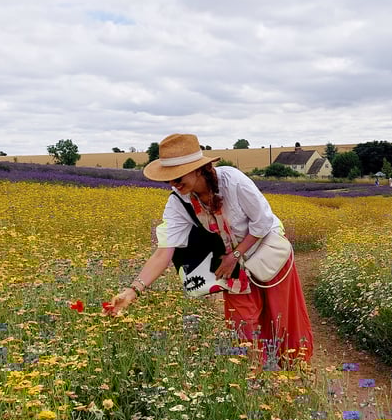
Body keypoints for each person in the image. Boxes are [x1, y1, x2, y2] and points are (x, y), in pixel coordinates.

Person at [107, 133, 313, 367]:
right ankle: (259, 382)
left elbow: (262, 222)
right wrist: (132, 291)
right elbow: (163, 252)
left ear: (198, 169)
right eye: (168, 179)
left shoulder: (233, 181)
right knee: (242, 326)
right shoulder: (178, 202)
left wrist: (236, 255)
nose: (172, 184)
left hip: (266, 254)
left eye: (177, 176)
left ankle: (296, 375)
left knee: (282, 318)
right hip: (232, 266)